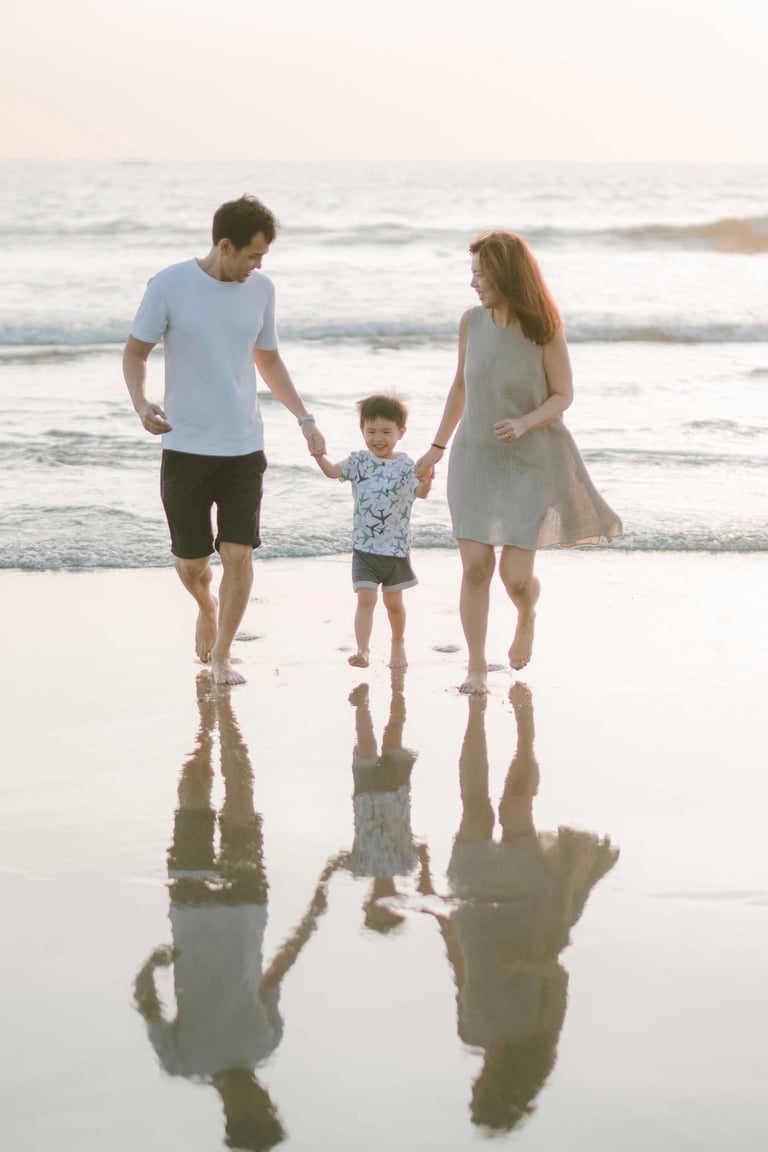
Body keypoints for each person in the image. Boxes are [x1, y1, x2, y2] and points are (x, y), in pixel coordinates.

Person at [122, 195, 326, 686]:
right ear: (225, 244)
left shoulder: (261, 290)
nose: (258, 266)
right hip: (185, 446)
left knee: (239, 553)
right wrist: (141, 403)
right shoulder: (169, 285)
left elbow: (269, 360)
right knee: (192, 562)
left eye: (264, 258)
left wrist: (304, 418)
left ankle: (222, 658)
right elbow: (135, 353)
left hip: (243, 446)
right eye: (253, 255)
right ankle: (204, 604)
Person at [133, 676, 335, 1151]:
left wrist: (154, 964)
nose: (263, 1100)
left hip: (190, 911)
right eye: (269, 1107)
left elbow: (145, 1003)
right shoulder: (267, 1044)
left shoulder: (181, 1061)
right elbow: (273, 975)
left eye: (258, 1112)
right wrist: (309, 921)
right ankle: (221, 712)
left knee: (193, 797)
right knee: (242, 794)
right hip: (247, 910)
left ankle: (204, 725)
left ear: (234, 1120)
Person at [415, 231, 622, 693]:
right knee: (475, 568)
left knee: (515, 577)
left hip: (529, 460)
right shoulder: (471, 321)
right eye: (471, 274)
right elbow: (460, 387)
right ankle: (475, 667)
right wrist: (436, 447)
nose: (473, 284)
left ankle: (527, 612)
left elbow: (563, 395)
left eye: (480, 274)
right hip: (473, 457)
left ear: (505, 274)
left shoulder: (544, 328)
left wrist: (527, 423)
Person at [419, 683, 619, 1133]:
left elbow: (460, 971)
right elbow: (558, 975)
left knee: (473, 809)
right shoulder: (540, 1037)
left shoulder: (470, 1035)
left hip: (472, 911)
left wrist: (439, 913)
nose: (477, 1081)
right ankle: (525, 731)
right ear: (502, 1087)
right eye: (482, 1089)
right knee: (515, 806)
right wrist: (524, 967)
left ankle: (475, 718)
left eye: (476, 1089)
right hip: (521, 904)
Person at [312, 393, 432, 669]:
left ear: (401, 432)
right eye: (372, 431)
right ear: (362, 430)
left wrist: (426, 481)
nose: (378, 438)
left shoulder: (405, 466)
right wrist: (320, 456)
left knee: (393, 604)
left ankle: (398, 643)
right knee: (365, 599)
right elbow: (332, 472)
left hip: (395, 549)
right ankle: (363, 650)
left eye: (386, 432)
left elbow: (420, 493)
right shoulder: (358, 462)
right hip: (364, 549)